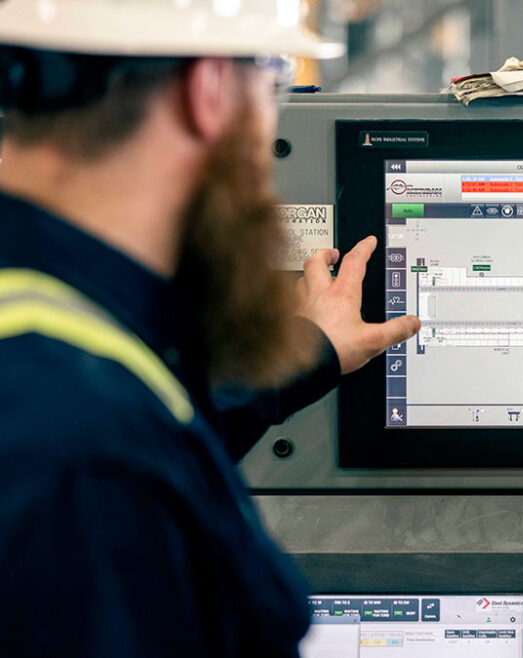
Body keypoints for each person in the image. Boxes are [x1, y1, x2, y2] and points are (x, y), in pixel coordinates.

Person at [0, 1, 419, 655]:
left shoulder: (62, 354)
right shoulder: (87, 458)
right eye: (272, 78)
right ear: (210, 89)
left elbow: (151, 425)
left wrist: (310, 349)